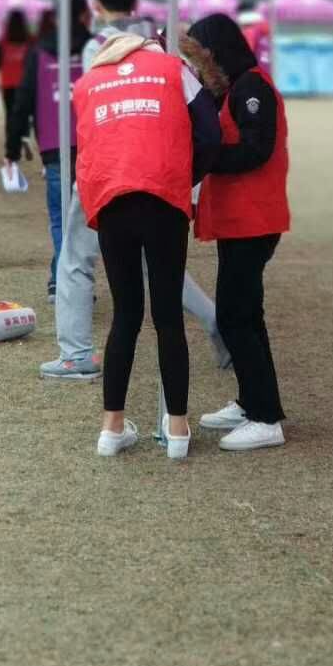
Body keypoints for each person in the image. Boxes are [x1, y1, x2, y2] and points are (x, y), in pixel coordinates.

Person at [37, 0, 229, 380]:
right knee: (155, 263)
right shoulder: (163, 42)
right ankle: (216, 320)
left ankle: (75, 353)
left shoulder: (98, 48)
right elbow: (202, 119)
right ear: (135, 0)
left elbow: (90, 110)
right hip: (159, 169)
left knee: (75, 257)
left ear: (95, 4)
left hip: (109, 168)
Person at [74, 26, 221, 459]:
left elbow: (84, 145)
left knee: (125, 316)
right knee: (168, 317)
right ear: (149, 44)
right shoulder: (174, 69)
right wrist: (184, 176)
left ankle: (111, 428)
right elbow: (210, 133)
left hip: (112, 199)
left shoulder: (89, 80)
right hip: (163, 199)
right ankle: (177, 430)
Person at [183, 14, 290, 452]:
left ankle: (265, 417)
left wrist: (204, 156)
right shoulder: (232, 88)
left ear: (216, 51)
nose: (197, 65)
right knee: (245, 314)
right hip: (240, 219)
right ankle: (253, 402)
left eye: (199, 56)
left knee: (235, 316)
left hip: (254, 219)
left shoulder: (251, 87)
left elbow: (255, 150)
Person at [6, 0, 92, 292]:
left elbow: (22, 102)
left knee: (60, 217)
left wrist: (12, 148)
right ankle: (68, 278)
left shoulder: (39, 51)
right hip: (92, 142)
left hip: (54, 144)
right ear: (85, 14)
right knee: (88, 217)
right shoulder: (95, 48)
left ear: (55, 17)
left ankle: (64, 280)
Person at [0, 9, 32, 153]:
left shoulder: (3, 40)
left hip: (8, 83)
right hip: (25, 83)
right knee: (25, 112)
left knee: (10, 115)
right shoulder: (29, 40)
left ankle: (11, 146)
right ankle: (25, 136)